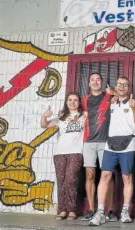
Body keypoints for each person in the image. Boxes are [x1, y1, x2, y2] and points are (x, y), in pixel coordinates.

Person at [89, 76, 135, 226]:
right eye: (119, 84)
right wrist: (112, 96)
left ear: (129, 88)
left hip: (128, 143)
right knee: (105, 176)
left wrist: (133, 107)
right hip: (110, 142)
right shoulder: (110, 102)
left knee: (127, 178)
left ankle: (125, 211)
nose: (122, 86)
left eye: (125, 84)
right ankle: (100, 212)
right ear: (116, 86)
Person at [40, 92, 86, 221]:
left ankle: (71, 210)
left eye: (75, 100)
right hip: (59, 153)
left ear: (79, 102)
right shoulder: (61, 117)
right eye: (70, 100)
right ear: (66, 102)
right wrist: (45, 115)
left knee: (71, 180)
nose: (72, 102)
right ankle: (62, 210)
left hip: (76, 152)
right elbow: (44, 125)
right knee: (61, 182)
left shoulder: (84, 116)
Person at [80, 72, 117, 222]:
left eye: (98, 80)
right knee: (89, 175)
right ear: (88, 84)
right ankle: (91, 209)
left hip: (105, 142)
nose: (95, 82)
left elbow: (123, 97)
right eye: (92, 80)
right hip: (88, 142)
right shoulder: (84, 100)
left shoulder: (109, 96)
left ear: (102, 83)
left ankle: (110, 211)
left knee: (108, 176)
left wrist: (112, 91)